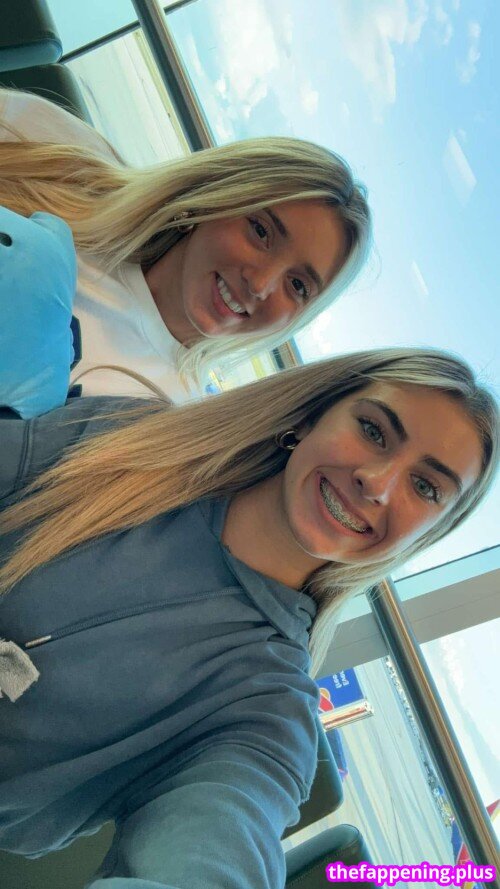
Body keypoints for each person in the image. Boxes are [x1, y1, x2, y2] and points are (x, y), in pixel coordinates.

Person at [0, 345, 497, 889]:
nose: (376, 484)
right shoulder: (129, 443)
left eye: (425, 487)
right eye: (374, 431)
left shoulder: (268, 710)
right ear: (311, 417)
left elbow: (219, 841)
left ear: (425, 535)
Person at [0, 87, 372, 402]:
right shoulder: (54, 151)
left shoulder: (167, 423)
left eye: (298, 286)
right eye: (261, 231)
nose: (260, 285)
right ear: (213, 195)